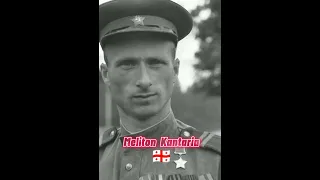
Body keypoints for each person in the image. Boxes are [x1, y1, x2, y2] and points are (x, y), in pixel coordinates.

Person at [99, 0, 221, 180]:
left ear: (175, 70)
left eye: (155, 63)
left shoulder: (214, 160)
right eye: (128, 64)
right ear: (106, 74)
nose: (144, 80)